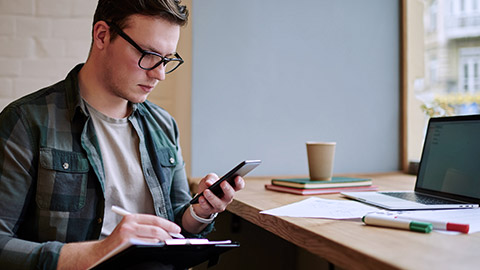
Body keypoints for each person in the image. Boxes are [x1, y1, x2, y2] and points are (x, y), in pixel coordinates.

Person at [0, 0, 245, 269]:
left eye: (167, 59)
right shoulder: (27, 121)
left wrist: (201, 212)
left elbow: (177, 226)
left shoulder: (164, 125)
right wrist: (100, 250)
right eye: (148, 54)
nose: (160, 74)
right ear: (102, 35)